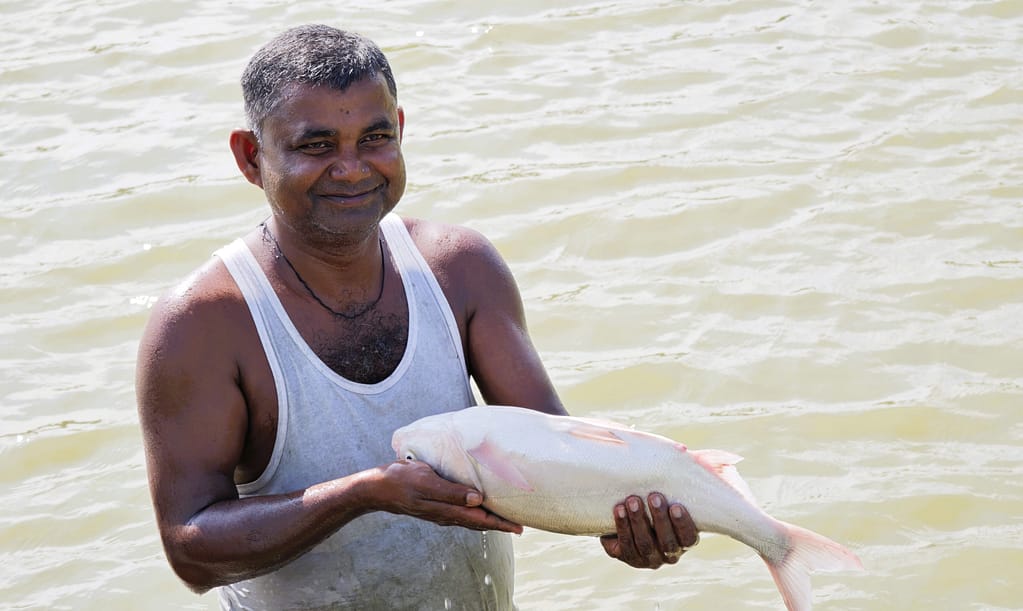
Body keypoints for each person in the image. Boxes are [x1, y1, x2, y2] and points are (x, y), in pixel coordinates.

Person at [136, 23, 698, 610]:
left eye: (374, 138)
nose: (352, 168)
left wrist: (628, 520)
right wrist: (364, 494)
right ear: (251, 156)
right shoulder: (202, 326)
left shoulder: (460, 270)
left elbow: (557, 455)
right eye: (317, 145)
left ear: (400, 131)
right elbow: (190, 551)